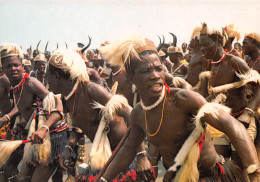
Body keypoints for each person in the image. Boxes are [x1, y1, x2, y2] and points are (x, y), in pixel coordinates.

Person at [98, 35, 260, 182]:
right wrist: (104, 180)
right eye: (147, 70)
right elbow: (128, 148)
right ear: (132, 77)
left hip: (210, 177)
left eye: (158, 68)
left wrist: (255, 172)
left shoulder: (184, 99)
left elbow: (232, 125)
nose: (155, 75)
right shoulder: (139, 113)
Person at [46, 49, 150, 179]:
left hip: (125, 157)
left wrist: (141, 156)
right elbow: (79, 128)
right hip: (103, 159)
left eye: (47, 75)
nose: (46, 80)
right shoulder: (68, 99)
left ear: (56, 77)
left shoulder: (90, 90)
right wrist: (68, 148)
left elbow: (131, 113)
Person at [0, 42, 64, 182]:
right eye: (9, 66)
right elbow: (30, 110)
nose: (13, 69)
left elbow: (58, 106)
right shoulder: (16, 87)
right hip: (37, 139)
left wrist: (44, 128)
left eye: (16, 65)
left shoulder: (30, 82)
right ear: (3, 69)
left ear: (23, 66)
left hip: (54, 139)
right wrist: (20, 126)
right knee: (13, 173)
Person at [197, 23, 260, 163]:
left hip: (242, 121)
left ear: (218, 41)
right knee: (220, 166)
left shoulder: (234, 62)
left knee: (241, 168)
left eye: (206, 45)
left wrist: (247, 113)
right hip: (222, 122)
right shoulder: (210, 64)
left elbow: (258, 87)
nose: (202, 49)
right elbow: (218, 93)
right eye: (200, 45)